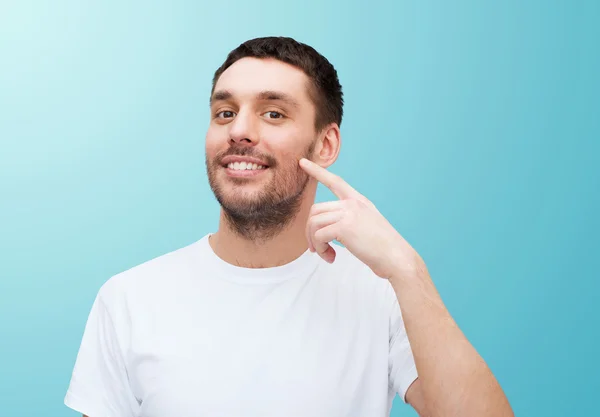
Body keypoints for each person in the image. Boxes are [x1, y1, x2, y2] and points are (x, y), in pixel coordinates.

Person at [64, 36, 514, 417]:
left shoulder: (382, 294)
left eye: (273, 113)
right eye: (224, 113)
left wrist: (406, 269)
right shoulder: (128, 299)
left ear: (325, 144)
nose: (239, 131)